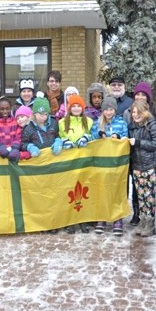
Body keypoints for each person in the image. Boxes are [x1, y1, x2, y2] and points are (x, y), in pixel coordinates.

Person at [21, 93, 63, 233]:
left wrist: (58, 142)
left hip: (53, 164)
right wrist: (30, 147)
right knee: (41, 195)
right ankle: (42, 222)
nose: (42, 117)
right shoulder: (29, 128)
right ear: (34, 114)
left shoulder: (53, 124)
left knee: (54, 194)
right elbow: (23, 143)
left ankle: (55, 222)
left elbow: (58, 136)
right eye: (40, 114)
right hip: (38, 166)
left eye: (45, 114)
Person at [90, 96, 129, 236]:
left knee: (116, 189)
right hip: (101, 163)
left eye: (111, 109)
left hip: (117, 163)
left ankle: (117, 219)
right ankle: (102, 218)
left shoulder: (121, 122)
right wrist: (97, 134)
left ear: (115, 110)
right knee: (102, 190)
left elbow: (126, 136)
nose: (108, 112)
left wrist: (118, 137)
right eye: (106, 109)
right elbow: (91, 137)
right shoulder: (97, 123)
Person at [57, 94, 93, 234]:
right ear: (69, 107)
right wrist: (64, 140)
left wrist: (87, 137)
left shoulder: (89, 121)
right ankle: (70, 221)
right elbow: (59, 136)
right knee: (69, 190)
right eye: (74, 106)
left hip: (84, 162)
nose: (76, 108)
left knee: (83, 190)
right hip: (69, 163)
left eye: (79, 106)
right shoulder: (62, 122)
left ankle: (82, 220)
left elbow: (94, 135)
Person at [128, 101, 156, 237]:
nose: (135, 115)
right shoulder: (132, 127)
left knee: (149, 197)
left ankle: (150, 224)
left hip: (150, 166)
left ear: (145, 112)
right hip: (137, 165)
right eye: (133, 112)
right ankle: (143, 221)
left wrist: (138, 143)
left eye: (138, 112)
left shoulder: (151, 125)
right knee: (141, 196)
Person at [0, 96, 29, 164]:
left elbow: (18, 136)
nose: (5, 111)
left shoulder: (15, 122)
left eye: (7, 109)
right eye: (2, 109)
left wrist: (15, 148)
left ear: (10, 109)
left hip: (14, 151)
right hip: (0, 153)